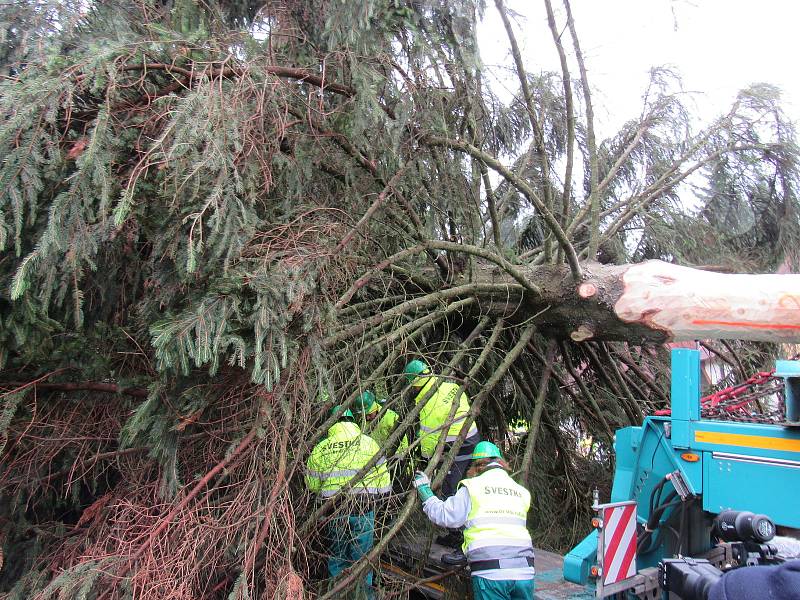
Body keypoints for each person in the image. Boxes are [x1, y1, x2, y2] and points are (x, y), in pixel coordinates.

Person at [412, 441, 535, 600]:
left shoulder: (473, 487)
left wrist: (425, 492)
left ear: (477, 466)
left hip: (491, 571)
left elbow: (447, 516)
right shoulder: (521, 492)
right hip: (524, 570)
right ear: (501, 463)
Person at [306, 406, 392, 598]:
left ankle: (337, 595)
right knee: (362, 560)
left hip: (334, 511)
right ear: (353, 421)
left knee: (337, 558)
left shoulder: (321, 448)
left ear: (333, 423)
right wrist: (384, 502)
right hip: (363, 509)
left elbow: (312, 485)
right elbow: (384, 480)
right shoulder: (369, 443)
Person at [403, 359, 481, 497]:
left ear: (415, 383)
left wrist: (426, 458)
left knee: (451, 490)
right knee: (472, 483)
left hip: (456, 447)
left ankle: (453, 513)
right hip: (473, 438)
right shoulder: (449, 385)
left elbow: (429, 436)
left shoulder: (427, 403)